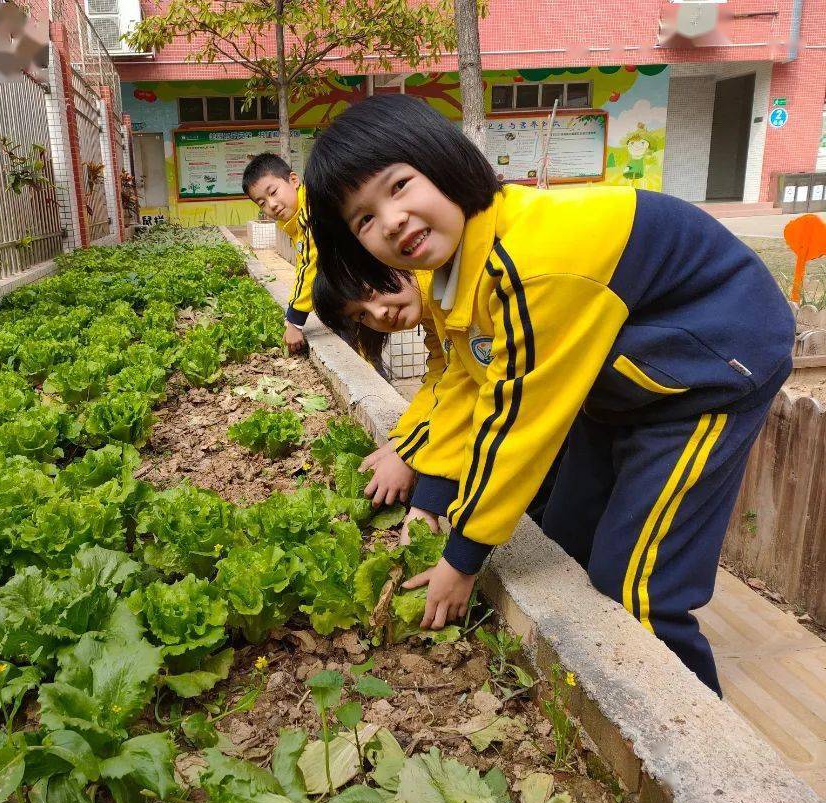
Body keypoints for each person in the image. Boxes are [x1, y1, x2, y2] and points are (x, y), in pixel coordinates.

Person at [305, 94, 794, 697]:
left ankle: (704, 769)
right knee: (563, 535)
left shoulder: (530, 263)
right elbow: (465, 380)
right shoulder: (452, 268)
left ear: (446, 160)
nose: (392, 220)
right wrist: (432, 497)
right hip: (623, 377)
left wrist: (461, 560)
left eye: (399, 186)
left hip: (711, 367)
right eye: (364, 220)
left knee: (638, 588)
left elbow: (517, 424)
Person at [243, 153, 317, 353]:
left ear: (293, 180)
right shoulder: (298, 218)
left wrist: (294, 322)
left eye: (273, 192)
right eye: (262, 203)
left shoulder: (311, 213)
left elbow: (311, 265)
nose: (271, 204)